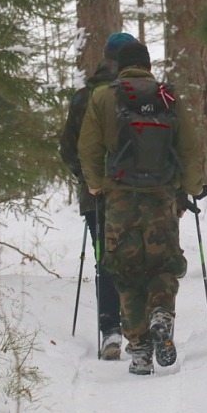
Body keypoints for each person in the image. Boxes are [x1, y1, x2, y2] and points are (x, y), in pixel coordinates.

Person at [78, 40, 205, 376]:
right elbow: (189, 147)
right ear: (148, 66)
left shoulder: (104, 96)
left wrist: (94, 184)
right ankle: (161, 312)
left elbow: (88, 146)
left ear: (120, 66)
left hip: (119, 199)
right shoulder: (166, 96)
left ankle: (138, 348)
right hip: (161, 196)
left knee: (126, 270)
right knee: (163, 263)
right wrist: (193, 186)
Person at [60, 31, 135, 360]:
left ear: (105, 57)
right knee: (133, 257)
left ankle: (110, 330)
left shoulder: (82, 97)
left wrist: (86, 178)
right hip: (135, 195)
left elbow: (67, 149)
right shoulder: (138, 94)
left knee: (105, 258)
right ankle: (137, 326)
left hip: (95, 198)